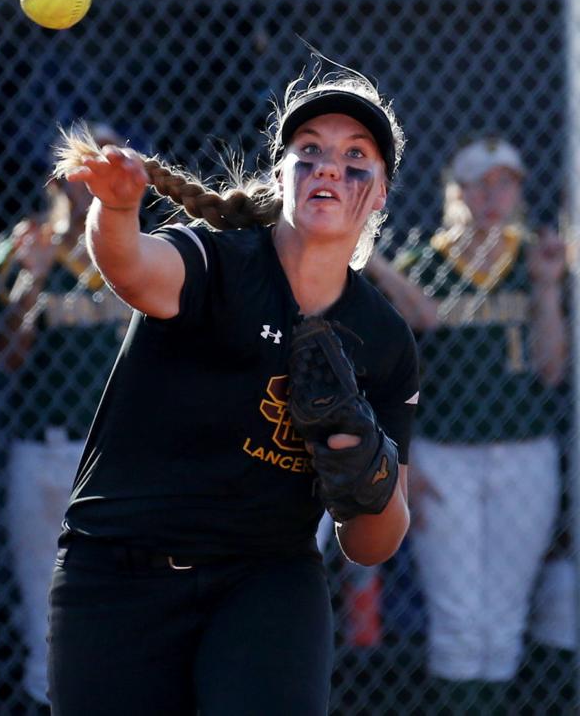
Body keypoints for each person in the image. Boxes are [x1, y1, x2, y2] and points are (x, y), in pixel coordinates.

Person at [46, 66, 419, 715]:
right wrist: (116, 208)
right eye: (311, 152)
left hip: (264, 580)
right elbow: (132, 270)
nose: (330, 167)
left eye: (356, 157)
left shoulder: (382, 340)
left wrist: (369, 469)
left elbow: (371, 543)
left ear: (381, 192)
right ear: (281, 175)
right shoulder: (219, 261)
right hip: (117, 571)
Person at [365, 136, 566, 712]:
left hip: (526, 451)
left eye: (505, 182)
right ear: (455, 189)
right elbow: (402, 355)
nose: (493, 194)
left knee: (502, 618)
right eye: (480, 182)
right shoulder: (422, 263)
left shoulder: (536, 258)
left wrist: (549, 288)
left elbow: (552, 370)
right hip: (444, 453)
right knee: (456, 617)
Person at [0, 123, 133, 711]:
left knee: (126, 616)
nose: (91, 179)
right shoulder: (24, 247)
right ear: (59, 177)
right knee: (45, 616)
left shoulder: (144, 248)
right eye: (81, 167)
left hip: (123, 454)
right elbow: (7, 357)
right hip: (45, 451)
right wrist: (35, 275)